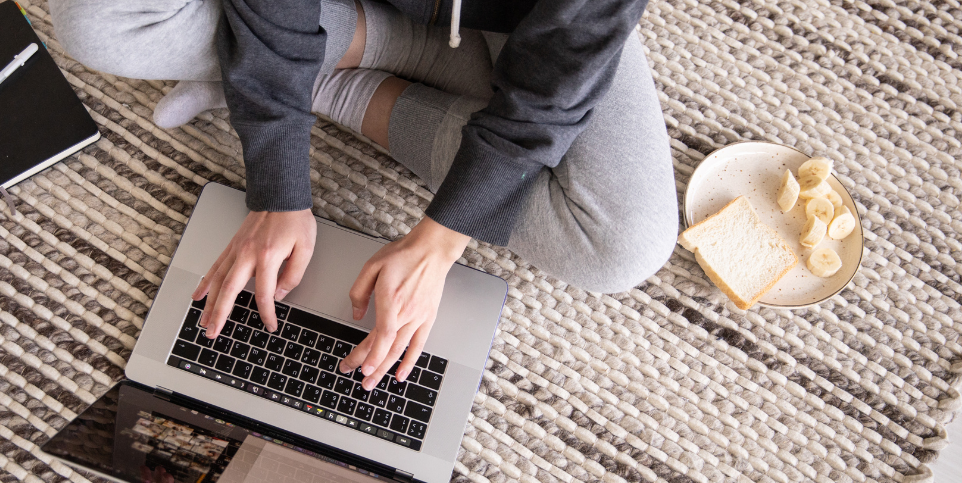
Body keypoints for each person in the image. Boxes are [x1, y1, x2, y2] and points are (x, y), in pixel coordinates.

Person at [50, 0, 677, 394]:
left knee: (623, 245)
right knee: (95, 18)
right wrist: (277, 189)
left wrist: (442, 238)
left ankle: (328, 76)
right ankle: (328, 57)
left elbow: (557, 77)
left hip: (530, 23)